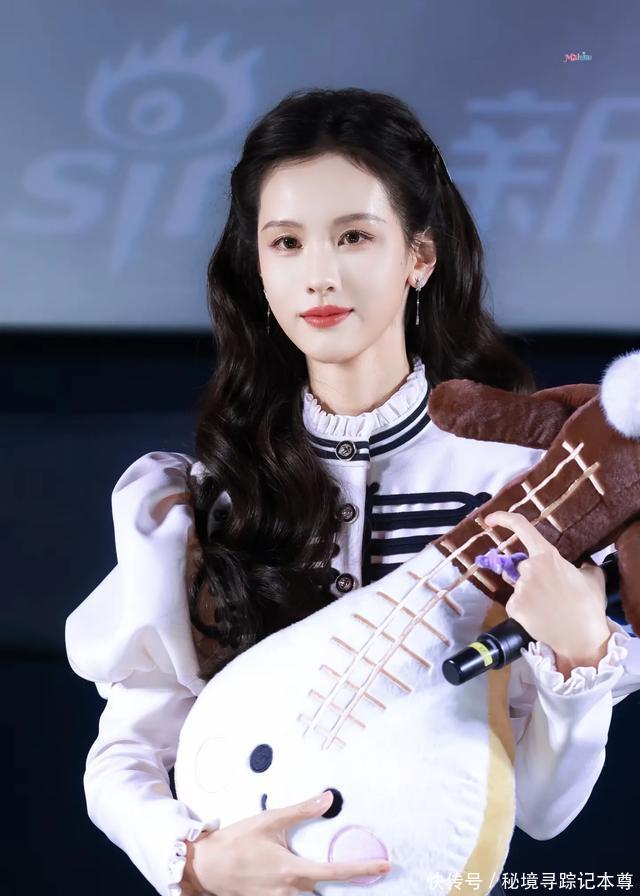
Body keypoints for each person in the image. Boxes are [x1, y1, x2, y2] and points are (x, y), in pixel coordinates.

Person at [65, 87, 640, 896]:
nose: (320, 275)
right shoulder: (207, 504)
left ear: (419, 257)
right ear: (258, 268)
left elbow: (544, 810)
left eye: (355, 236)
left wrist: (580, 653)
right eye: (287, 243)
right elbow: (124, 753)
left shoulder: (512, 488)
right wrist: (193, 860)